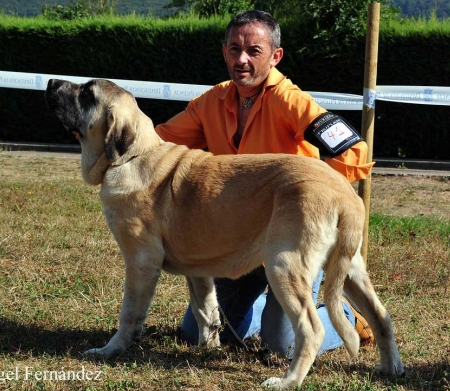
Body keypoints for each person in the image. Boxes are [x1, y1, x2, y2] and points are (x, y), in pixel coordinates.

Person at [155, 10, 374, 358]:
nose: (241, 59)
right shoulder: (209, 102)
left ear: (276, 56)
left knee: (285, 344)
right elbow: (155, 144)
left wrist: (313, 196)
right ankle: (267, 308)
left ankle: (346, 315)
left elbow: (354, 152)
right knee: (196, 330)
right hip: (238, 242)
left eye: (254, 51)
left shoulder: (292, 101)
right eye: (233, 49)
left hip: (290, 236)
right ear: (224, 51)